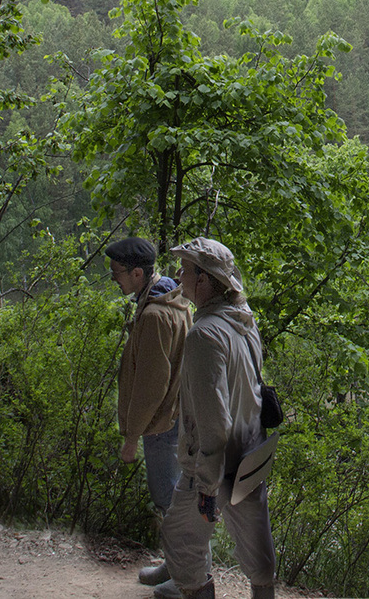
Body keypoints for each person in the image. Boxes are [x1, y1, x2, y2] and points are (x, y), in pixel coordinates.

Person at [159, 238, 276, 599]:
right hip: (250, 455)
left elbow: (213, 421)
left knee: (182, 542)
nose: (178, 275)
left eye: (186, 269)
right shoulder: (244, 322)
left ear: (205, 280)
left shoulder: (204, 335)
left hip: (213, 467)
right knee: (259, 555)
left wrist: (206, 487)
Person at [106, 237, 191, 594]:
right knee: (173, 498)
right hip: (174, 418)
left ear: (138, 273)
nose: (115, 280)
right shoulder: (171, 299)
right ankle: (173, 566)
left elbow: (151, 385)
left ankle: (185, 577)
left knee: (168, 501)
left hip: (162, 423)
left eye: (118, 273)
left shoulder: (156, 314)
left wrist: (130, 437)